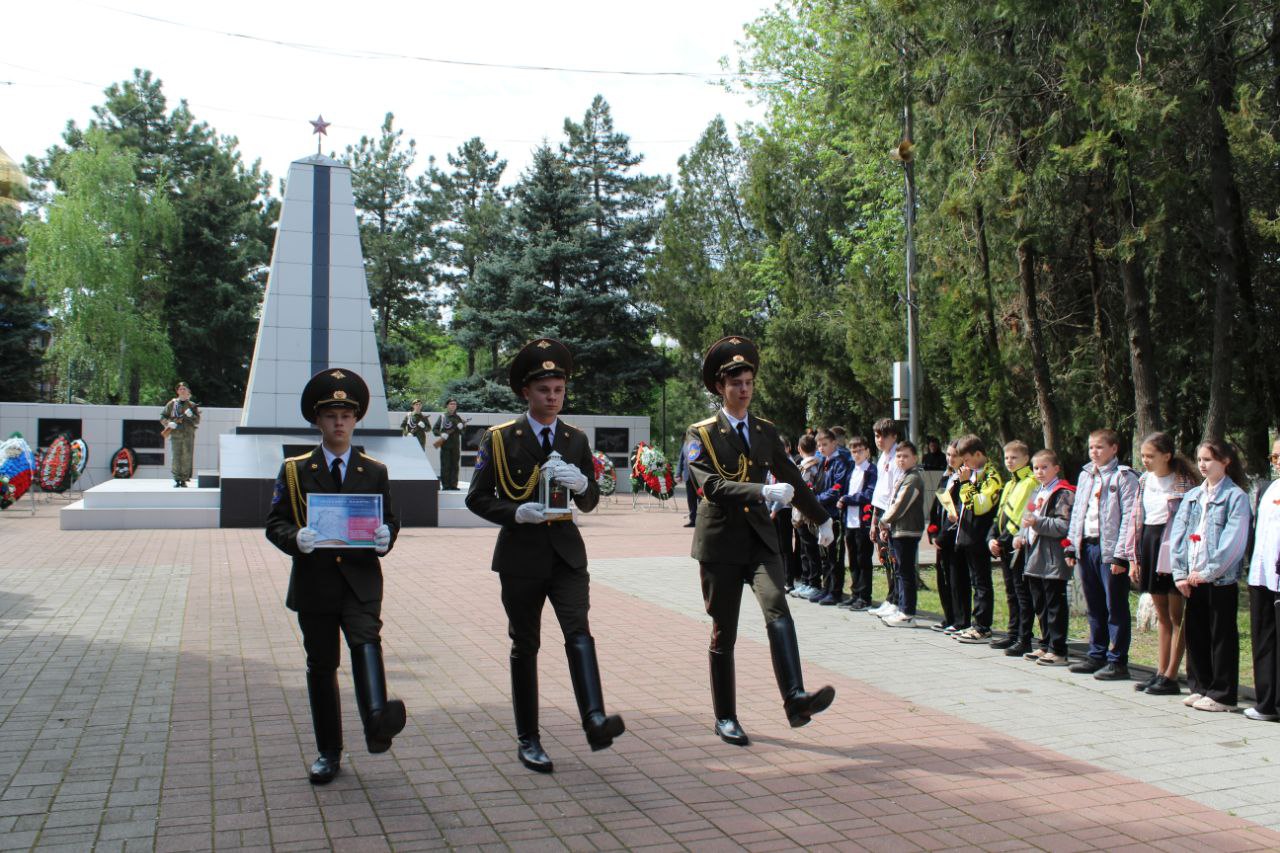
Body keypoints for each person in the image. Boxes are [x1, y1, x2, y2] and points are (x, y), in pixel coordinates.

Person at [465, 338, 624, 773]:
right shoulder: (500, 439)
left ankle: (594, 719)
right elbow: (477, 498)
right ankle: (528, 738)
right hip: (521, 557)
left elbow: (589, 501)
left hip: (567, 556)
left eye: (559, 390)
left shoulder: (575, 439)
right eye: (544, 390)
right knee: (526, 644)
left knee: (579, 631)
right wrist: (515, 512)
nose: (553, 397)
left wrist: (582, 484)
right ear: (526, 392)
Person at [685, 336, 835, 747]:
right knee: (724, 630)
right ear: (721, 387)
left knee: (777, 607)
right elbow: (710, 486)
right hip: (720, 543)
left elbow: (792, 477)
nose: (744, 390)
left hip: (759, 540)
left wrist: (821, 517)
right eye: (736, 383)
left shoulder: (765, 430)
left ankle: (795, 699)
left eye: (749, 382)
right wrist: (761, 491)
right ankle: (725, 716)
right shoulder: (701, 433)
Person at [265, 368, 403, 785]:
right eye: (331, 416)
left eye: (346, 415)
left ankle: (377, 722)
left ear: (356, 419)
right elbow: (275, 523)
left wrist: (386, 535)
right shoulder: (295, 470)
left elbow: (390, 519)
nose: (339, 423)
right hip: (316, 582)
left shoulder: (373, 470)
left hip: (360, 580)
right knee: (322, 665)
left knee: (367, 642)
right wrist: (296, 538)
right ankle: (329, 751)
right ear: (318, 420)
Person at [1169, 439, 1251, 712]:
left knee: (1221, 637)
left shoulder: (1235, 497)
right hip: (1192, 578)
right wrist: (1180, 574)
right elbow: (1179, 535)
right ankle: (1200, 686)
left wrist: (1207, 572)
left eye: (1208, 459)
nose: (1202, 465)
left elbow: (1233, 543)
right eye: (1200, 459)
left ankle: (1223, 694)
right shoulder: (1194, 496)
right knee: (1196, 635)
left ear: (1225, 462)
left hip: (1218, 580)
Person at [1121, 433, 1199, 696]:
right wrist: (1133, 557)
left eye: (1150, 456)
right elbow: (1135, 517)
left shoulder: (1184, 482)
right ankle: (1160, 671)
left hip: (1172, 546)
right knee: (1161, 614)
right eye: (1143, 455)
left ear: (1167, 455)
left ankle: (1171, 675)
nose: (1145, 460)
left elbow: (1189, 520)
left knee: (1177, 615)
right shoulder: (1144, 480)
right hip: (1150, 542)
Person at [1064, 429, 1139, 680]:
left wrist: (1121, 555)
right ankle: (1096, 654)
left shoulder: (1124, 476)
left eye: (1099, 447)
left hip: (1110, 550)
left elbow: (1129, 517)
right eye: (1091, 447)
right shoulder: (1086, 475)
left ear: (1114, 448)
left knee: (1115, 606)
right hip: (1088, 546)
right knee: (1094, 605)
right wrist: (1072, 545)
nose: (1094, 452)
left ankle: (1117, 660)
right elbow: (1078, 512)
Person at [1015, 449, 1075, 666]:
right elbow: (1027, 518)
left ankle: (1058, 649)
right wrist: (1021, 535)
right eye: (1036, 468)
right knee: (1040, 604)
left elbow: (1064, 525)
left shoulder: (1062, 493)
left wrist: (1037, 523)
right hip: (1034, 557)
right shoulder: (1036, 492)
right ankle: (1045, 644)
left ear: (1056, 469)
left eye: (1044, 467)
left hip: (1052, 559)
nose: (1039, 472)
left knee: (1054, 605)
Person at [988, 441, 1037, 656]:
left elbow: (1020, 516)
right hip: (1004, 544)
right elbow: (1000, 514)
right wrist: (992, 537)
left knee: (1021, 592)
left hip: (1018, 544)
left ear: (1026, 459)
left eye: (1014, 458)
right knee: (1010, 592)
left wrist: (1002, 540)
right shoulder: (1009, 483)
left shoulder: (1030, 482)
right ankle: (1012, 632)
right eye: (1007, 457)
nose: (1009, 461)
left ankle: (1024, 638)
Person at [953, 435, 1003, 643]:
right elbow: (965, 503)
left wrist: (965, 484)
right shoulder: (973, 474)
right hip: (968, 536)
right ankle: (975, 623)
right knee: (975, 581)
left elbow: (980, 505)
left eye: (966, 459)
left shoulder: (992, 476)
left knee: (982, 582)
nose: (964, 464)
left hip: (980, 537)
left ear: (978, 454)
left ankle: (982, 627)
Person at [1245, 437, 1280, 722]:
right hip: (1261, 574)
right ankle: (1266, 702)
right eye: (1273, 456)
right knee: (1264, 639)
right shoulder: (1268, 488)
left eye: (1279, 456)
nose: (1276, 461)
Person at [880, 441, 925, 627]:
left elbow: (900, 504)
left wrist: (884, 521)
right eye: (898, 456)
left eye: (906, 456)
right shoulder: (904, 476)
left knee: (906, 572)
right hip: (898, 530)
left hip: (907, 531)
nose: (901, 459)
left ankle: (908, 613)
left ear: (915, 458)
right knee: (900, 571)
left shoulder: (913, 478)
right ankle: (901, 608)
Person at [812, 428, 851, 605]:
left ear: (834, 443)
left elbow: (837, 488)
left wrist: (817, 499)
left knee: (834, 555)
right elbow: (819, 484)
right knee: (824, 554)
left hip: (834, 514)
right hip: (822, 514)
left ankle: (835, 591)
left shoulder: (840, 462)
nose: (821, 448)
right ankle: (826, 588)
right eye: (819, 445)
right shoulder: (823, 462)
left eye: (825, 444)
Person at [868, 419, 903, 617]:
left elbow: (895, 493)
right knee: (885, 558)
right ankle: (890, 598)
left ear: (894, 437)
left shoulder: (898, 458)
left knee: (894, 558)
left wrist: (886, 522)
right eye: (877, 436)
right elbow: (879, 492)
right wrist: (874, 520)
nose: (879, 440)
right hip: (880, 512)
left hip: (892, 514)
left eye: (884, 436)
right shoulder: (882, 458)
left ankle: (897, 600)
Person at [837, 435, 877, 611]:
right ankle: (855, 593)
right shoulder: (852, 470)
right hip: (849, 521)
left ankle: (865, 597)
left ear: (867, 451)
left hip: (863, 522)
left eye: (860, 450)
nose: (856, 454)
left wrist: (847, 499)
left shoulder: (871, 470)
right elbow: (844, 491)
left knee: (863, 560)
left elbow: (869, 494)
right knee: (853, 560)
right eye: (853, 451)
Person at [927, 441, 963, 632]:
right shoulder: (946, 477)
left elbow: (956, 511)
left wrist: (942, 536)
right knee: (943, 579)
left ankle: (960, 620)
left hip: (953, 537)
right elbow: (936, 506)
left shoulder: (963, 479)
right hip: (941, 535)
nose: (950, 459)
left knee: (956, 580)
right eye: (948, 455)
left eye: (955, 455)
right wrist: (933, 530)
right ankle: (948, 617)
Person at [789, 434, 825, 600]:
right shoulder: (811, 465)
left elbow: (804, 490)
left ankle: (814, 583)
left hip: (806, 514)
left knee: (810, 549)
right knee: (804, 549)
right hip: (803, 513)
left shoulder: (809, 466)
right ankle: (806, 580)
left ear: (799, 448)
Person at [160, 382, 201, 487]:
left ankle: (184, 478)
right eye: (180, 389)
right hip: (176, 434)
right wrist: (168, 423)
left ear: (188, 391)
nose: (182, 391)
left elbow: (197, 421)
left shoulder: (192, 405)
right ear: (177, 391)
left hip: (188, 434)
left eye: (184, 389)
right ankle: (177, 478)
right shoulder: (172, 404)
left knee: (187, 456)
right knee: (176, 456)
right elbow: (163, 417)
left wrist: (191, 416)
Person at [432, 399, 467, 490]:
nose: (453, 405)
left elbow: (463, 433)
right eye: (451, 404)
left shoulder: (458, 418)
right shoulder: (443, 417)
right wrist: (441, 434)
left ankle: (454, 485)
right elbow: (434, 429)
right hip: (445, 445)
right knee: (445, 465)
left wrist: (461, 428)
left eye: (455, 404)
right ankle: (446, 485)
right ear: (447, 405)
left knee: (455, 466)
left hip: (455, 445)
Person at [678, 434, 699, 527]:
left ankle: (701, 520)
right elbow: (681, 459)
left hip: (699, 476)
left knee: (701, 498)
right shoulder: (685, 444)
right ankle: (693, 520)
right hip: (688, 476)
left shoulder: (700, 443)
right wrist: (678, 473)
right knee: (691, 499)